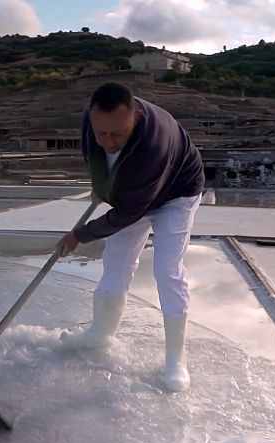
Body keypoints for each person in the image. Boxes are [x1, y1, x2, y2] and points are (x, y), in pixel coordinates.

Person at [59, 82, 204, 392]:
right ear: (91, 117)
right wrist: (102, 185)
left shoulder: (153, 144)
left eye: (117, 135)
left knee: (167, 270)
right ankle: (100, 334)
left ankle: (175, 360)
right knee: (116, 263)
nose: (109, 142)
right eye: (102, 133)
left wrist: (79, 235)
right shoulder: (93, 122)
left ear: (135, 119)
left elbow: (128, 214)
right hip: (136, 192)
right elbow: (95, 157)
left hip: (176, 194)